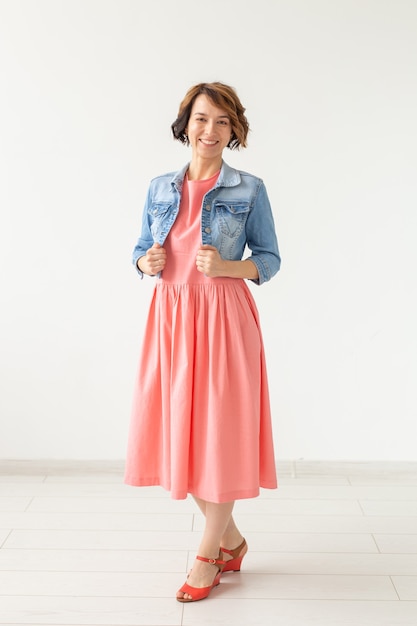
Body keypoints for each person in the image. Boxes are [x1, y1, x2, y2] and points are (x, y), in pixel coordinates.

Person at [125, 82, 281, 602]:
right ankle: (232, 540)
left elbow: (270, 260)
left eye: (221, 121)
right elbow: (138, 248)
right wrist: (145, 261)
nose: (209, 130)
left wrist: (228, 266)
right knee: (178, 437)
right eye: (200, 119)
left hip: (224, 320)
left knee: (219, 436)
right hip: (169, 319)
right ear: (185, 124)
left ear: (234, 129)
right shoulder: (158, 188)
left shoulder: (249, 189)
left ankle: (208, 555)